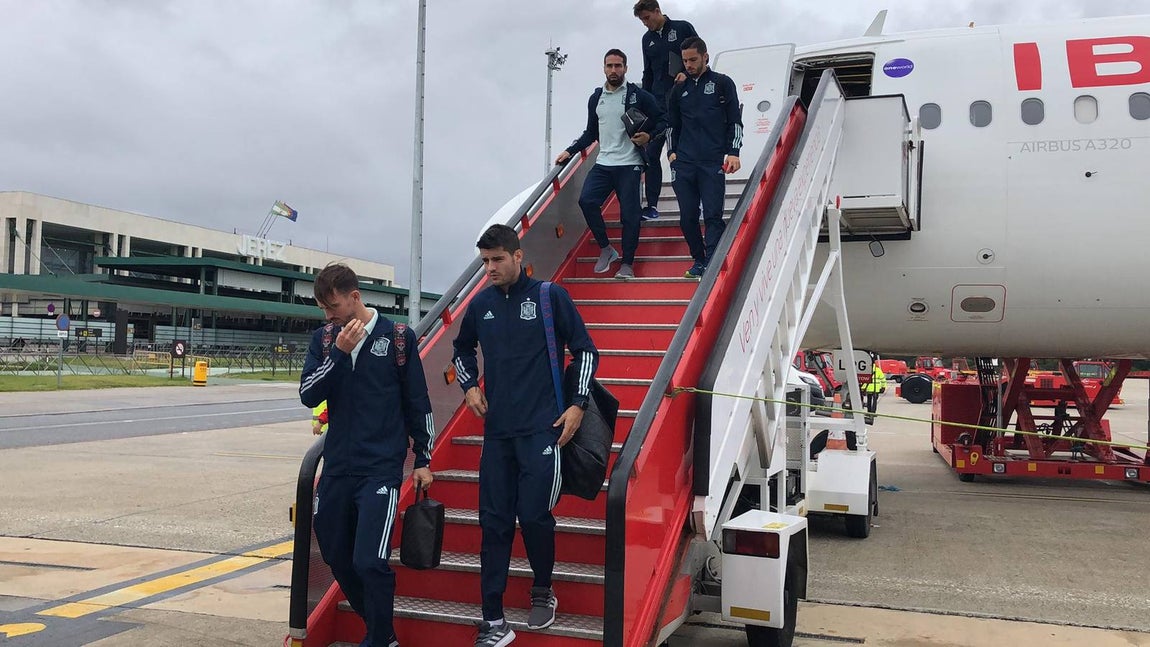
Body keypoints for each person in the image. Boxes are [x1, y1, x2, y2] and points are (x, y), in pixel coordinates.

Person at [451, 224, 599, 647]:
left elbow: (585, 349)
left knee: (534, 515)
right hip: (498, 434)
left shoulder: (550, 297)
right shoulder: (480, 305)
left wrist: (578, 403)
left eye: (497, 259)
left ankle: (542, 590)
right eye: (484, 262)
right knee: (493, 523)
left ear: (518, 256)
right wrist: (469, 385)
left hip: (544, 430)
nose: (490, 268)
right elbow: (461, 349)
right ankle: (493, 619)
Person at [299, 263, 436, 647]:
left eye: (334, 306)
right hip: (339, 466)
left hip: (380, 469)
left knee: (369, 561)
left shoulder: (397, 338)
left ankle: (378, 638)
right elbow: (309, 394)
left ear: (355, 297)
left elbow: (418, 402)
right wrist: (339, 355)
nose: (329, 316)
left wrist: (424, 458)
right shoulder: (325, 341)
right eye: (324, 309)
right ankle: (384, 631)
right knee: (335, 554)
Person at [556, 49, 666, 280]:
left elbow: (663, 119)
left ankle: (627, 264)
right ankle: (606, 248)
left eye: (618, 66)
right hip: (604, 162)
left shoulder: (639, 95)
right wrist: (570, 150)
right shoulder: (597, 98)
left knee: (630, 216)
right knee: (587, 201)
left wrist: (649, 136)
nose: (614, 70)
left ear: (626, 68)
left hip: (630, 163)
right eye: (610, 66)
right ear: (604, 68)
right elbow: (590, 133)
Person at [667, 36, 743, 279]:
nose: (688, 65)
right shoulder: (679, 89)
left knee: (712, 215)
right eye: (685, 61)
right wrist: (671, 153)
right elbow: (672, 126)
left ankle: (711, 262)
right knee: (687, 217)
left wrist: (734, 152)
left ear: (705, 57)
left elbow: (735, 121)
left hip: (712, 161)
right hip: (684, 163)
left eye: (693, 60)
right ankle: (699, 260)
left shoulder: (722, 83)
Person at [633, 0, 698, 221]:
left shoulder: (682, 28)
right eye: (642, 20)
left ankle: (691, 205)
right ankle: (651, 206)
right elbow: (647, 73)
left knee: (681, 155)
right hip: (658, 105)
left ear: (657, 11)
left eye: (647, 18)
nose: (645, 23)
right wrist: (643, 101)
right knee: (651, 154)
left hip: (684, 102)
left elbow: (700, 59)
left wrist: (687, 75)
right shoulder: (647, 39)